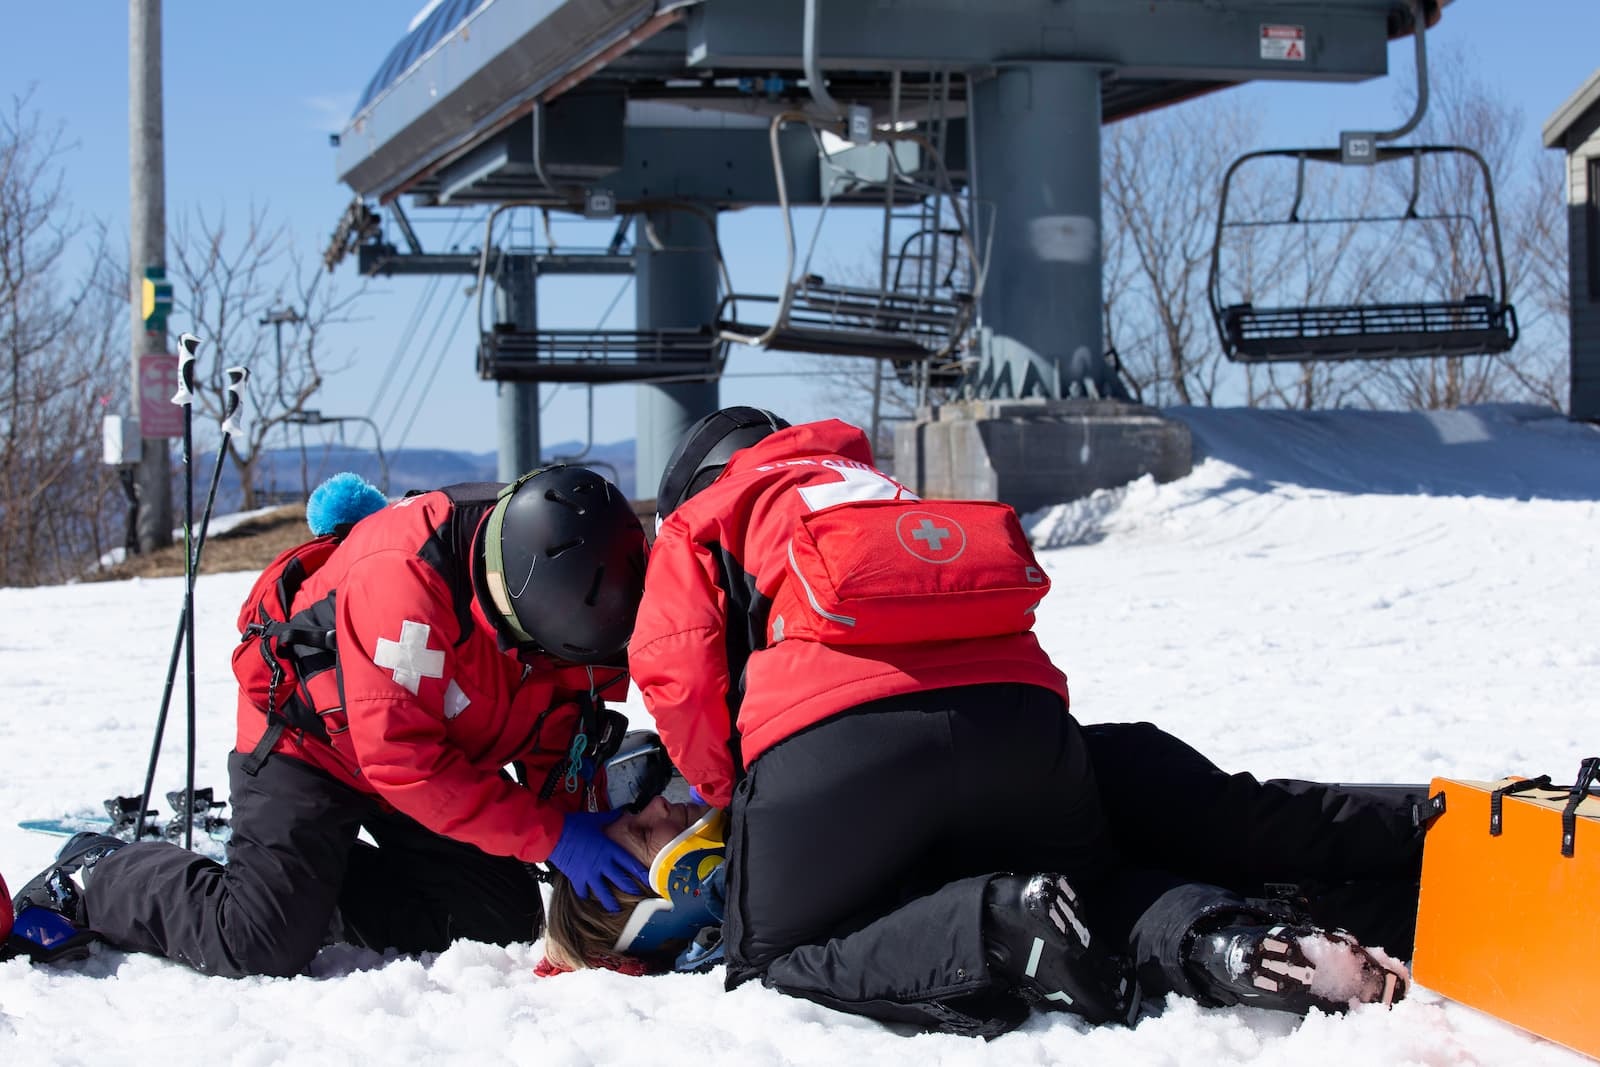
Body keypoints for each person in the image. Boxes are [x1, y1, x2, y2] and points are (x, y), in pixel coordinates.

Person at [623, 407, 1411, 1038]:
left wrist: (731, 790)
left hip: (836, 744)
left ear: (694, 479)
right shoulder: (875, 486)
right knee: (1094, 892)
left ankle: (996, 921)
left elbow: (674, 663)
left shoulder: (707, 514)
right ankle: (1220, 939)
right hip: (1026, 724)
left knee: (771, 963)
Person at [4, 465, 652, 977]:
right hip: (309, 740)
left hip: (436, 753)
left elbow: (560, 733)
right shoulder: (406, 581)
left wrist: (572, 824)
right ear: (514, 611)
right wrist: (554, 836)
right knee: (259, 941)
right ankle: (106, 872)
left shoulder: (583, 598)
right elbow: (406, 765)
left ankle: (300, 884)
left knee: (495, 916)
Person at [539, 725, 1425, 1011]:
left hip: (1060, 793)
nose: (665, 803)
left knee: (1255, 825)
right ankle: (1269, 941)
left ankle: (1439, 831)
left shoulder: (763, 792)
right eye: (638, 834)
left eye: (646, 779)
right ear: (657, 919)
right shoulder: (766, 911)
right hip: (1046, 818)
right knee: (1209, 871)